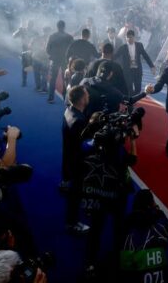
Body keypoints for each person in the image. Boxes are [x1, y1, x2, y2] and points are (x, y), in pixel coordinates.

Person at [61, 85, 91, 235]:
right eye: (86, 95)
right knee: (75, 194)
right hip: (77, 163)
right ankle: (72, 223)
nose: (88, 97)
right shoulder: (79, 120)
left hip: (69, 159)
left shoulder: (69, 110)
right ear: (81, 99)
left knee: (74, 192)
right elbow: (83, 146)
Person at [114, 29, 156, 96]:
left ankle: (132, 98)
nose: (129, 39)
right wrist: (105, 59)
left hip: (137, 70)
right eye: (127, 37)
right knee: (129, 88)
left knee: (138, 89)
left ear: (134, 37)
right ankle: (130, 102)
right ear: (125, 38)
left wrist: (152, 66)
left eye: (131, 37)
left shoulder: (139, 45)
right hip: (128, 71)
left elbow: (145, 56)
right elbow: (115, 56)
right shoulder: (123, 47)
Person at [45, 20, 73, 104]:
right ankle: (65, 98)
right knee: (66, 79)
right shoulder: (69, 37)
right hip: (65, 60)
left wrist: (52, 55)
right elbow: (72, 49)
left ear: (57, 27)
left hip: (55, 60)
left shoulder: (52, 36)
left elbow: (47, 49)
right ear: (64, 27)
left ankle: (51, 98)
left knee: (53, 79)